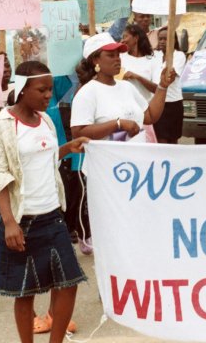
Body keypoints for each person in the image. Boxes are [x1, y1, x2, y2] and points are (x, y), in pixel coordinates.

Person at [0, 61, 88, 343]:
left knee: (69, 283)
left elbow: (40, 158)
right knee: (25, 292)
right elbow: (0, 175)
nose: (48, 95)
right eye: (41, 89)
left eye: (49, 89)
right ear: (23, 89)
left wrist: (65, 148)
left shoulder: (45, 120)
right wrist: (9, 222)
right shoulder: (1, 126)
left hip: (52, 215)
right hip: (23, 219)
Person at [71, 32, 176, 253]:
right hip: (107, 177)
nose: (118, 58)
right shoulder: (87, 93)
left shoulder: (126, 88)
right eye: (111, 55)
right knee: (115, 234)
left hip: (137, 173)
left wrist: (163, 87)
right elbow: (78, 132)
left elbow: (150, 116)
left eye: (119, 53)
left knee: (138, 230)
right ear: (95, 60)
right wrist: (117, 124)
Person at [154, 27, 186, 144]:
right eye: (160, 39)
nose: (162, 41)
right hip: (158, 103)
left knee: (172, 140)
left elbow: (170, 76)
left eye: (165, 39)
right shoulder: (155, 56)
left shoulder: (179, 55)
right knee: (160, 139)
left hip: (173, 103)